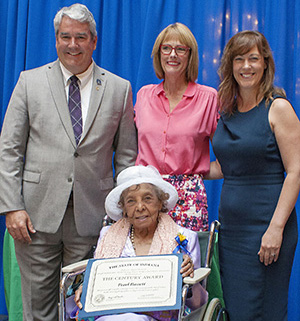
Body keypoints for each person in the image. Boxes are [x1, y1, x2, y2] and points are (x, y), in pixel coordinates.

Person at [0, 3, 137, 321]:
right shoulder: (28, 83)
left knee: (84, 306)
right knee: (38, 308)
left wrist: (122, 213)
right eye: (65, 37)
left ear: (94, 40)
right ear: (56, 39)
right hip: (35, 218)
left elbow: (127, 158)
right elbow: (9, 150)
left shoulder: (119, 89)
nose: (72, 45)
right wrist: (11, 207)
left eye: (80, 37)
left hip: (93, 218)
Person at [209, 30, 300, 321]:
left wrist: (275, 229)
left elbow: (296, 171)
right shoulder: (227, 112)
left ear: (265, 64)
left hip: (268, 229)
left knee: (266, 311)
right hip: (232, 231)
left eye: (253, 59)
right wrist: (176, 169)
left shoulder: (278, 108)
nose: (246, 66)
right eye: (239, 59)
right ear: (230, 65)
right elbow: (226, 167)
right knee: (235, 310)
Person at [74, 165, 208, 320]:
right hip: (110, 313)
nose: (139, 207)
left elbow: (198, 304)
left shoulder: (185, 237)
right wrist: (88, 288)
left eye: (147, 199)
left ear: (160, 203)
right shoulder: (108, 235)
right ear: (123, 209)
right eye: (131, 201)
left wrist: (187, 278)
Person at [134, 23, 219, 232]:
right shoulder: (143, 96)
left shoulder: (208, 98)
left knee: (185, 263)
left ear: (190, 56)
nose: (173, 54)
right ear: (158, 53)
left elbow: (228, 157)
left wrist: (194, 174)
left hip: (188, 200)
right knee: (147, 263)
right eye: (166, 48)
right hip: (145, 195)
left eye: (181, 49)